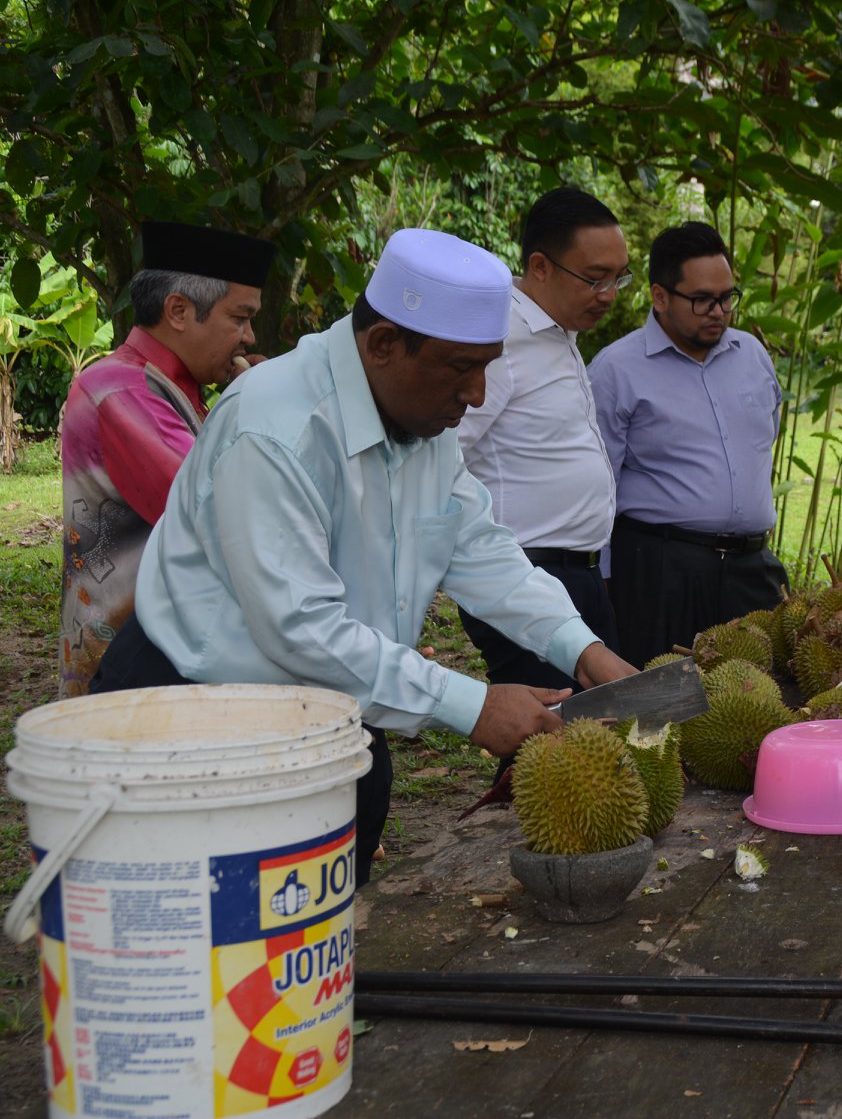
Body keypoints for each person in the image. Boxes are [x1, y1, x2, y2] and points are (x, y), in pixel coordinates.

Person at [90, 228, 638, 886]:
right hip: (197, 728)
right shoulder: (275, 427)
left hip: (338, 718)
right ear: (382, 345)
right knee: (208, 959)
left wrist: (584, 650)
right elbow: (300, 626)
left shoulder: (422, 419)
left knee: (328, 950)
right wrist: (472, 704)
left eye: (487, 365)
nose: (478, 394)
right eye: (461, 367)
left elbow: (479, 546)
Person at [58, 221, 276, 697]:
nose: (248, 336)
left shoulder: (172, 387)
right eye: (239, 319)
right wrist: (265, 408)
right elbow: (219, 516)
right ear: (178, 310)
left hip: (160, 656)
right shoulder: (120, 390)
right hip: (130, 667)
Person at [588, 221, 788, 668]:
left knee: (759, 701)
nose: (718, 311)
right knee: (662, 709)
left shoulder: (752, 354)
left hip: (750, 569)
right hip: (661, 572)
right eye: (701, 300)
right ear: (661, 297)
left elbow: (762, 442)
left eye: (727, 298)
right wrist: (605, 581)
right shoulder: (617, 370)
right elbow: (597, 485)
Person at [456, 187, 629, 695]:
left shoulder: (559, 331)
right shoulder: (500, 338)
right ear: (540, 266)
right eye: (595, 279)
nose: (609, 294)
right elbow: (444, 453)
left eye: (619, 278)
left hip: (581, 573)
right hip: (524, 579)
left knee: (598, 735)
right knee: (550, 752)